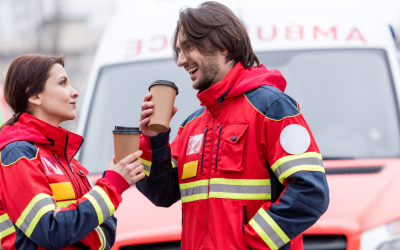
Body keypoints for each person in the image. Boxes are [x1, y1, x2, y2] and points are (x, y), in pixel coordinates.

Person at [137, 1, 329, 250]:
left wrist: (252, 242)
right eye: (179, 51)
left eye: (189, 47)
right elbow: (162, 194)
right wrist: (154, 140)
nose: (181, 61)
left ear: (224, 45)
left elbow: (310, 192)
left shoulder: (272, 108)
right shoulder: (192, 125)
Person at [0, 54, 145, 250]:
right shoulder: (18, 153)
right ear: (34, 96)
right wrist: (112, 184)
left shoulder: (65, 159)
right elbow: (52, 231)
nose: (75, 92)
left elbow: (107, 232)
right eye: (62, 83)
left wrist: (70, 223)